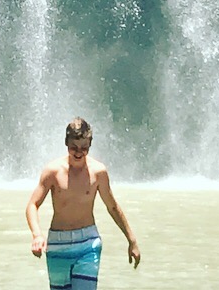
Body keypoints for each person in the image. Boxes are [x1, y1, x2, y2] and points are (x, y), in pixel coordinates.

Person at [25, 117, 141, 288]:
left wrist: (132, 240)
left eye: (84, 148)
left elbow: (113, 207)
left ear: (90, 145)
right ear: (66, 143)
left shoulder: (98, 172)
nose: (79, 152)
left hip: (88, 243)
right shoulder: (53, 171)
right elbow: (32, 205)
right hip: (58, 242)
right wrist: (37, 235)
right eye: (74, 148)